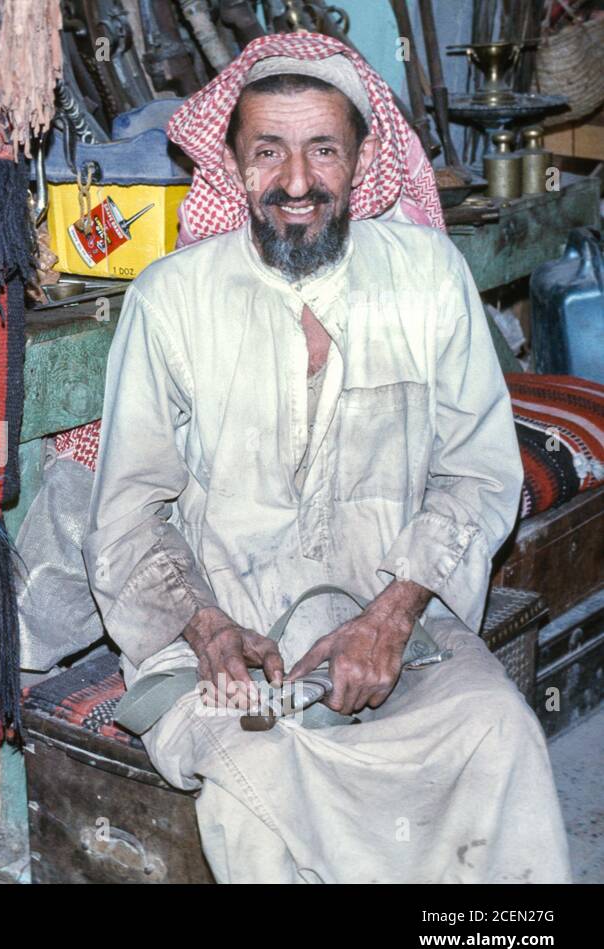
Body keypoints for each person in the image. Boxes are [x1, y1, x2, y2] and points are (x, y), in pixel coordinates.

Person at [84, 33, 571, 883]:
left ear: (364, 157)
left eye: (323, 151)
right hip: (223, 642)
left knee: (500, 735)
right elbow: (127, 511)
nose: (298, 183)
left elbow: (480, 474)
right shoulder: (173, 298)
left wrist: (390, 617)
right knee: (260, 783)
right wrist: (207, 627)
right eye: (269, 152)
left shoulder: (427, 278)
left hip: (396, 623)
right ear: (233, 162)